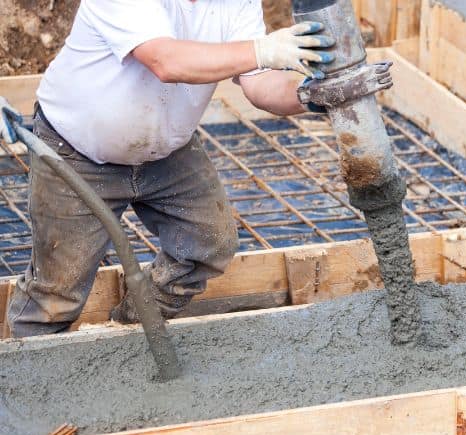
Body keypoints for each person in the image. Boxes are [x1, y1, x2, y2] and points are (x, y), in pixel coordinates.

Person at [0, 0, 384, 337]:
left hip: (167, 151)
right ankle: (28, 375)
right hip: (77, 152)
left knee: (208, 243)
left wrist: (309, 94)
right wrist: (262, 49)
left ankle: (133, 331)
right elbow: (166, 61)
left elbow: (259, 82)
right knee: (57, 292)